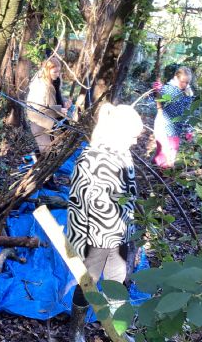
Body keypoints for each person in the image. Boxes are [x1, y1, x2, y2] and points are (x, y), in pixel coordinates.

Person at [66, 103, 143, 342]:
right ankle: (76, 330)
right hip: (96, 236)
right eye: (133, 136)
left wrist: (129, 230)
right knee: (88, 282)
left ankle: (117, 330)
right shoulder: (91, 157)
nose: (135, 142)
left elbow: (129, 196)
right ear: (119, 131)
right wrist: (81, 242)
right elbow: (79, 203)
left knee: (117, 282)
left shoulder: (124, 154)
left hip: (119, 234)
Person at [26, 56, 71, 155]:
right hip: (40, 119)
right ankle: (36, 158)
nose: (58, 74)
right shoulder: (41, 85)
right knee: (48, 151)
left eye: (59, 71)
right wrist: (59, 109)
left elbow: (54, 98)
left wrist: (64, 103)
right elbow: (39, 107)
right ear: (47, 71)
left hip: (53, 116)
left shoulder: (55, 81)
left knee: (65, 137)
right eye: (55, 72)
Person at [152, 66, 194, 168]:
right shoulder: (167, 89)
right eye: (183, 81)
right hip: (163, 126)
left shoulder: (188, 93)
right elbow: (156, 101)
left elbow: (187, 112)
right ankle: (162, 172)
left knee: (170, 152)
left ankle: (157, 164)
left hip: (176, 129)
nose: (185, 84)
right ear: (176, 78)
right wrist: (156, 91)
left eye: (187, 82)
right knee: (166, 155)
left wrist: (189, 129)